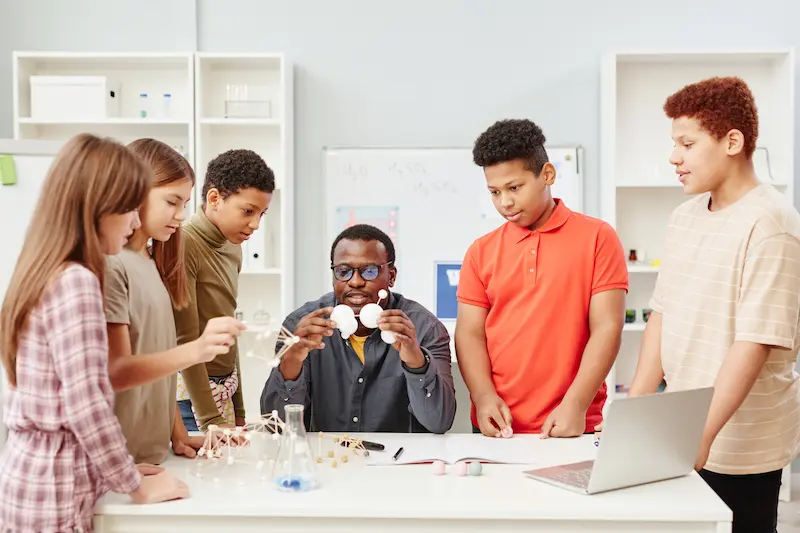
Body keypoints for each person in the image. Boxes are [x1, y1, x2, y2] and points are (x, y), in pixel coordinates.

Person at [625, 76, 800, 533]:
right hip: (681, 432)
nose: (673, 157)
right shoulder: (684, 217)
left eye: (687, 142)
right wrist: (635, 411)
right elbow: (662, 313)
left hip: (740, 443)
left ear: (732, 141)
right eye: (673, 143)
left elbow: (755, 342)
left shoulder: (772, 223)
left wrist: (701, 436)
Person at [0, 134, 189, 532]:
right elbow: (85, 402)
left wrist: (112, 469)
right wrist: (133, 484)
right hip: (55, 488)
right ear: (97, 207)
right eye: (128, 209)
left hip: (31, 476)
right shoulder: (78, 281)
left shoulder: (44, 268)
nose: (136, 221)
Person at [455, 119, 627, 438]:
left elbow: (607, 327)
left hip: (572, 423)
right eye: (494, 192)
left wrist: (575, 405)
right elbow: (469, 334)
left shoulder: (598, 238)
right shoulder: (480, 252)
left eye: (514, 188)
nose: (505, 202)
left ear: (547, 175)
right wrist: (482, 397)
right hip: (498, 426)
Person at [105, 138, 245, 465]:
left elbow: (159, 369)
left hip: (152, 455)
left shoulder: (154, 264)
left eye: (184, 204)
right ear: (134, 191)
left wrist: (179, 435)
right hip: (124, 462)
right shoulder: (114, 265)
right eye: (172, 202)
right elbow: (117, 371)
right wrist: (198, 349)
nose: (181, 215)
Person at [260, 224, 456, 433]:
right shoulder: (301, 326)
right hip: (328, 460)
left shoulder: (425, 328)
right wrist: (291, 360)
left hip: (398, 463)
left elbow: (439, 422)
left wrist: (416, 362)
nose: (355, 282)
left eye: (369, 271)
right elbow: (275, 428)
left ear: (391, 276)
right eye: (343, 271)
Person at [174, 148, 275, 431]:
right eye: (247, 211)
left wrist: (239, 407)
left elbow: (228, 330)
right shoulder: (183, 244)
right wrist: (210, 420)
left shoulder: (233, 246)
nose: (255, 224)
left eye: (261, 214)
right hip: (190, 400)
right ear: (215, 198)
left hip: (224, 394)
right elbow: (186, 339)